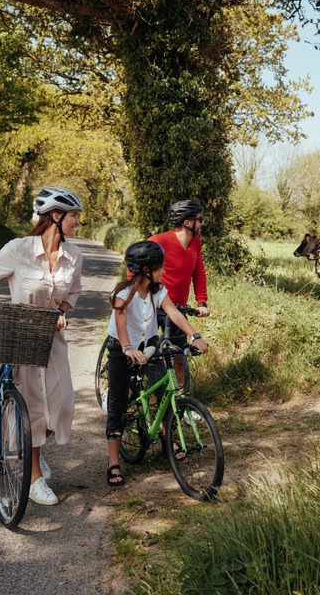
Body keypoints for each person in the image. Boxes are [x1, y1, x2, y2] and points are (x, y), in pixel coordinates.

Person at [0, 186, 84, 506]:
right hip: (20, 334)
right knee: (30, 405)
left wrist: (61, 313)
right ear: (55, 217)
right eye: (73, 216)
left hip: (51, 337)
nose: (77, 222)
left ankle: (34, 447)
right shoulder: (20, 249)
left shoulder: (75, 256)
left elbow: (72, 295)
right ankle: (33, 477)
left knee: (63, 401)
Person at [105, 241, 209, 487]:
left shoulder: (158, 291)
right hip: (122, 348)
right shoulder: (122, 293)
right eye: (160, 267)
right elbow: (121, 324)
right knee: (118, 405)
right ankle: (113, 462)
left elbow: (173, 312)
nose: (163, 271)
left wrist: (195, 336)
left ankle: (167, 437)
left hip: (149, 345)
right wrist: (128, 348)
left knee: (164, 390)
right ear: (144, 270)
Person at [147, 200, 210, 386]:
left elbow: (198, 273)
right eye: (199, 219)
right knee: (149, 354)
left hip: (177, 310)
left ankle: (183, 402)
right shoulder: (158, 242)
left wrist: (202, 302)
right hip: (153, 307)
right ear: (188, 223)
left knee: (179, 356)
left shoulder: (195, 243)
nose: (202, 223)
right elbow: (135, 271)